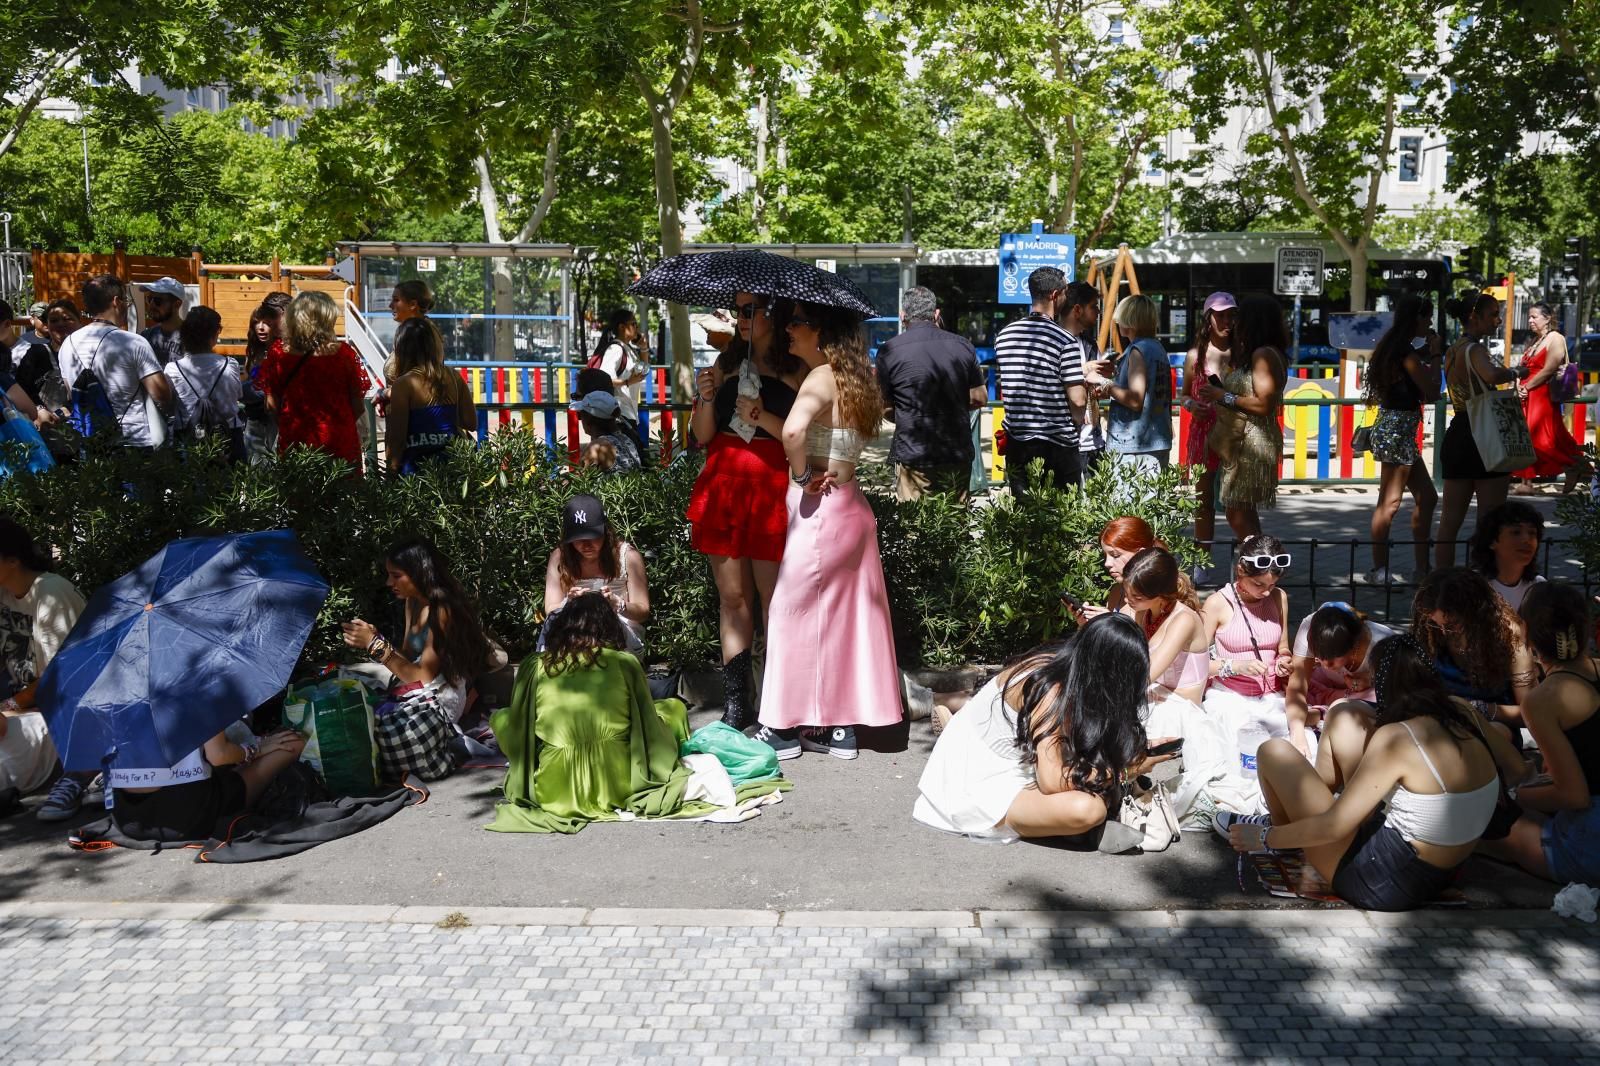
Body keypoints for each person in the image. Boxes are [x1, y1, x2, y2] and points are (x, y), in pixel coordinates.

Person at [1219, 636, 1503, 912]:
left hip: (1381, 881)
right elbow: (1518, 770)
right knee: (1341, 717)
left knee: (1274, 752)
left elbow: (1334, 826)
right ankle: (1296, 825)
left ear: (1384, 684)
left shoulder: (1397, 737)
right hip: (1445, 870)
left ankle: (1280, 834)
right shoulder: (1463, 712)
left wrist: (1266, 836)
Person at [752, 301, 901, 761]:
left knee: (788, 612)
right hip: (852, 507)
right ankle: (839, 729)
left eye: (797, 323)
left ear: (821, 333)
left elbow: (795, 431)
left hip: (820, 508)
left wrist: (798, 477)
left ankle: (779, 728)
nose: (788, 329)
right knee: (844, 620)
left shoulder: (819, 379)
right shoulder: (856, 378)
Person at [913, 613, 1149, 845]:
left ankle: (1066, 829)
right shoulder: (1051, 688)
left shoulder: (1070, 671)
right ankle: (1064, 827)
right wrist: (1123, 771)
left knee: (1095, 792)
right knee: (1088, 809)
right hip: (978, 780)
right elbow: (1051, 780)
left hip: (1021, 762)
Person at [685, 293, 806, 731]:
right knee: (733, 599)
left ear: (774, 315)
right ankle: (738, 701)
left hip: (772, 486)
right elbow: (701, 435)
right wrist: (703, 397)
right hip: (724, 484)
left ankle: (776, 697)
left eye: (752, 310)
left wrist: (763, 415)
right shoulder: (726, 363)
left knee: (775, 601)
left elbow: (805, 435)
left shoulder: (795, 369)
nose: (742, 318)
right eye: (738, 310)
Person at [486, 594, 702, 834]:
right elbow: (646, 727)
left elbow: (519, 729)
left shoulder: (535, 665)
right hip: (618, 782)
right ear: (610, 627)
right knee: (674, 708)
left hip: (555, 788)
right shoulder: (624, 662)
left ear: (562, 627)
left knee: (501, 717)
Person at [1478, 582, 1600, 885]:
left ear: (1526, 630)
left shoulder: (1544, 700)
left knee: (1480, 823)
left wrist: (1513, 795)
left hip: (1588, 844)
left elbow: (1573, 795)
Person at [340, 539, 491, 724]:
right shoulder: (412, 601)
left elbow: (423, 677)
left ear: (419, 573)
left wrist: (374, 645)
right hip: (414, 691)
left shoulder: (443, 609)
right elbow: (407, 659)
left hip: (439, 702)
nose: (389, 582)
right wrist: (377, 638)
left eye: (396, 575)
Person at [0, 518, 88, 815]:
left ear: (12, 560)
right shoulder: (5, 594)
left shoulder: (51, 593)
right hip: (19, 708)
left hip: (57, 710)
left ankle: (80, 775)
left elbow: (62, 678)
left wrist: (10, 706)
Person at [1435, 293, 1528, 569]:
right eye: (1493, 314)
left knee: (1449, 521)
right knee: (1490, 520)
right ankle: (1484, 579)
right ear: (1474, 317)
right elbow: (1491, 375)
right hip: (1484, 434)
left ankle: (1441, 581)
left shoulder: (1453, 350)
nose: (1498, 320)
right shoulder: (1475, 350)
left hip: (1459, 431)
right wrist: (1515, 372)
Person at [993, 270, 1107, 493]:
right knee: (1061, 517)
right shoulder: (1064, 339)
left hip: (1017, 442)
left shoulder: (1005, 335)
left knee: (1025, 517)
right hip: (1058, 446)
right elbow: (1077, 400)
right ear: (1056, 295)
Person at [874, 285, 986, 501]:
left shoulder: (889, 350)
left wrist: (907, 415)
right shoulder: (963, 346)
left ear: (902, 316)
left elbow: (883, 406)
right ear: (936, 314)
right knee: (954, 524)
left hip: (912, 453)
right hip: (956, 452)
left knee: (915, 527)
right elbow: (979, 397)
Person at [107, 726, 307, 843]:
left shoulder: (111, 686)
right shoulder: (196, 681)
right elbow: (219, 755)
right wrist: (254, 749)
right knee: (294, 743)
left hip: (127, 815)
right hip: (189, 817)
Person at [1362, 294, 1442, 585]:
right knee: (1390, 502)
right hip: (1399, 429)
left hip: (1396, 428)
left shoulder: (1396, 347)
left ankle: (1422, 569)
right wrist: (1435, 354)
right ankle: (1380, 571)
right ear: (1417, 318)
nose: (1430, 322)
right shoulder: (1406, 353)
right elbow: (1431, 392)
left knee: (1428, 497)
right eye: (1428, 317)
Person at [1198, 294, 1287, 540]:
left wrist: (1222, 396)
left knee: (1236, 514)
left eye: (1240, 318)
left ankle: (1261, 567)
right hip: (1247, 441)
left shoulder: (1263, 355)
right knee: (1244, 512)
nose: (1236, 324)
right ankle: (1260, 568)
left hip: (1253, 442)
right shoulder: (1264, 353)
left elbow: (1264, 404)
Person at [54, 274, 175, 446]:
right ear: (116, 302)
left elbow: (71, 392)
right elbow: (162, 395)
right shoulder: (133, 342)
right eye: (126, 301)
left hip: (91, 441)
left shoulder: (67, 344)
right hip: (134, 441)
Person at [1412, 566, 1535, 725]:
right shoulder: (1429, 627)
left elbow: (1531, 714)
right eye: (1436, 623)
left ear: (1477, 613)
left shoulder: (1508, 634)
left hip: (1493, 728)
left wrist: (1480, 709)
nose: (1443, 631)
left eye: (1452, 624)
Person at [259, 291, 370, 466]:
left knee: (298, 491)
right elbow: (358, 406)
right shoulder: (344, 355)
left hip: (296, 440)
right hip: (339, 442)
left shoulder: (279, 354)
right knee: (342, 491)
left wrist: (291, 423)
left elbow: (271, 404)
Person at [1283, 603, 1395, 758]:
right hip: (1326, 685)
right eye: (1319, 657)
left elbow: (1395, 696)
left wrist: (1369, 680)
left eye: (1332, 660)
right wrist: (1297, 733)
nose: (1326, 665)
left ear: (1353, 646)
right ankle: (1328, 708)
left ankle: (1321, 713)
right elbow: (1297, 686)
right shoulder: (1310, 628)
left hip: (1363, 696)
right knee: (1285, 680)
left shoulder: (1383, 643)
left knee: (1379, 701)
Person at [542, 494, 649, 653]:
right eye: (578, 539)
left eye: (593, 537)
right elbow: (551, 609)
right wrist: (568, 603)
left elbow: (643, 611)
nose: (586, 545)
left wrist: (618, 604)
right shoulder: (560, 557)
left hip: (619, 630)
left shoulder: (628, 556)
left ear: (606, 531)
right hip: (574, 627)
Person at [1120, 547, 1208, 741]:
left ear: (1161, 595)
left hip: (1181, 708)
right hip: (1152, 697)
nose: (1128, 600)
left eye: (1136, 597)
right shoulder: (1143, 610)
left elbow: (1147, 675)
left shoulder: (1183, 619)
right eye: (1126, 593)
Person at [1513, 302, 1592, 494]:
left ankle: (1574, 467)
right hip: (1527, 395)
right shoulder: (1533, 341)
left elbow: (1549, 369)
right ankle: (1532, 480)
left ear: (1547, 318)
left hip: (1542, 396)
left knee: (1543, 439)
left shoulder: (1555, 338)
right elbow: (1522, 368)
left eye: (1534, 317)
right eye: (1529, 317)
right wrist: (1518, 385)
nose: (1530, 321)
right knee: (1536, 438)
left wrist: (1526, 386)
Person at [1182, 292, 1236, 564]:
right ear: (1208, 318)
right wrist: (1192, 405)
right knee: (1203, 503)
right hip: (1204, 434)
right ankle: (1202, 562)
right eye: (1220, 315)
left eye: (1230, 314)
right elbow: (1183, 395)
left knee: (1239, 505)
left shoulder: (1243, 353)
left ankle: (1248, 563)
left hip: (1236, 435)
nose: (1227, 320)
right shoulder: (1195, 355)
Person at [384, 317, 476, 474]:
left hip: (418, 471)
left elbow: (397, 440)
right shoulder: (453, 377)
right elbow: (470, 423)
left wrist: (390, 472)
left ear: (401, 348)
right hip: (454, 466)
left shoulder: (404, 384)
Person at [1102, 294, 1173, 474]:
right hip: (1156, 440)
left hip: (1134, 446)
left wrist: (1104, 383)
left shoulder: (1138, 350)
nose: (1117, 322)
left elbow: (1135, 399)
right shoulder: (1157, 348)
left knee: (1127, 501)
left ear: (1130, 319)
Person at [163, 306, 245, 461]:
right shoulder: (230, 364)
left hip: (188, 436)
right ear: (214, 334)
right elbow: (237, 395)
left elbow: (168, 405)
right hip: (228, 435)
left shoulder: (173, 369)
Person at [1469, 501, 1544, 612]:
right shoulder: (1474, 587)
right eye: (1516, 532)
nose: (1527, 540)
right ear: (1492, 541)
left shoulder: (1538, 587)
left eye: (1532, 533)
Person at [1079, 516, 1157, 618]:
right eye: (1105, 555)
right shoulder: (1117, 591)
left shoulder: (1156, 598)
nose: (1107, 563)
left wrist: (1111, 622)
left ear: (1141, 555)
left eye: (1116, 555)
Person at [592, 308, 649, 429]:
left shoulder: (627, 349)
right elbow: (604, 378)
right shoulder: (616, 349)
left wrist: (644, 348)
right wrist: (628, 382)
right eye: (633, 324)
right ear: (622, 327)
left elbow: (643, 371)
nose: (637, 328)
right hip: (619, 414)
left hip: (628, 413)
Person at [572, 391, 642, 473]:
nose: (579, 419)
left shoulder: (597, 447)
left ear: (590, 418)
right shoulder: (625, 438)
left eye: (580, 415)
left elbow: (578, 480)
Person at [137, 276, 187, 366]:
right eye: (149, 299)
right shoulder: (146, 336)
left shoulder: (192, 338)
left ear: (177, 304)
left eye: (157, 301)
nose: (151, 305)